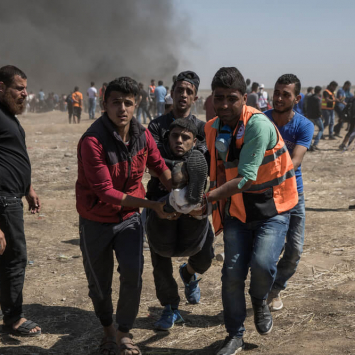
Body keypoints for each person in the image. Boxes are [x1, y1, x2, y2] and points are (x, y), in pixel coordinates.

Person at [202, 67, 298, 354]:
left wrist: (206, 201)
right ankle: (235, 335)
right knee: (231, 274)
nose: (224, 105)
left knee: (262, 265)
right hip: (237, 211)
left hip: (274, 208)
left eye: (232, 98)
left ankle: (259, 299)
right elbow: (209, 168)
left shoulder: (257, 124)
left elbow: (244, 178)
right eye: (219, 98)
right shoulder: (211, 128)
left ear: (244, 97)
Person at [76, 77, 174, 355]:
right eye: (116, 102)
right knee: (99, 282)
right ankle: (107, 330)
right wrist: (152, 205)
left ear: (137, 104)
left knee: (133, 273)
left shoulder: (143, 135)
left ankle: (123, 333)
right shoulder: (92, 141)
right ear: (105, 103)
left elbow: (159, 166)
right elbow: (105, 192)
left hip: (129, 218)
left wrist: (178, 194)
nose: (122, 108)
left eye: (128, 103)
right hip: (95, 219)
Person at [146, 119, 214, 330]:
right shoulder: (157, 156)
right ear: (168, 138)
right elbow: (151, 169)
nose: (179, 141)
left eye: (186, 138)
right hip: (160, 214)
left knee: (205, 259)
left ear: (194, 142)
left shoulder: (202, 158)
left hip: (194, 216)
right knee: (161, 259)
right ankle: (169, 307)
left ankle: (188, 273)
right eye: (175, 136)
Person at [264, 74, 314, 311]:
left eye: (286, 94)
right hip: (264, 194)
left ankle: (276, 288)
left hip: (294, 194)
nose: (280, 98)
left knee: (294, 250)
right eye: (277, 93)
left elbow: (294, 162)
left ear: (297, 98)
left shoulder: (304, 125)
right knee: (267, 250)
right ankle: (263, 289)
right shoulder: (261, 121)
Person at [0, 65, 41, 337]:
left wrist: (29, 188)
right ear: (1, 88)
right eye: (19, 88)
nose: (25, 93)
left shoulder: (8, 117)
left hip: (13, 197)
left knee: (10, 259)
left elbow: (12, 156)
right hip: (2, 201)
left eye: (25, 88)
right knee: (15, 259)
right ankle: (13, 319)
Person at [306, 86, 324, 151]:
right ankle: (315, 144)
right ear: (319, 91)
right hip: (316, 117)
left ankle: (309, 145)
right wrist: (320, 115)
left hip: (310, 116)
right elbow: (318, 108)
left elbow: (307, 107)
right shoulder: (317, 99)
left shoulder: (309, 98)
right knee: (321, 129)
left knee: (311, 130)